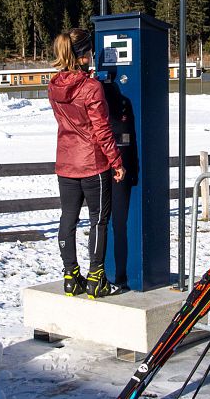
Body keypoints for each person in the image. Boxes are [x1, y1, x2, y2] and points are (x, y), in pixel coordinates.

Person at [48, 28, 126, 299]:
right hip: (93, 164)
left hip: (66, 163)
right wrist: (116, 161)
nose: (93, 57)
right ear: (82, 56)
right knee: (98, 221)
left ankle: (71, 277)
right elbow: (102, 130)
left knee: (67, 219)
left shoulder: (54, 85)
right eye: (90, 52)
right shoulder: (91, 87)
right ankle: (96, 279)